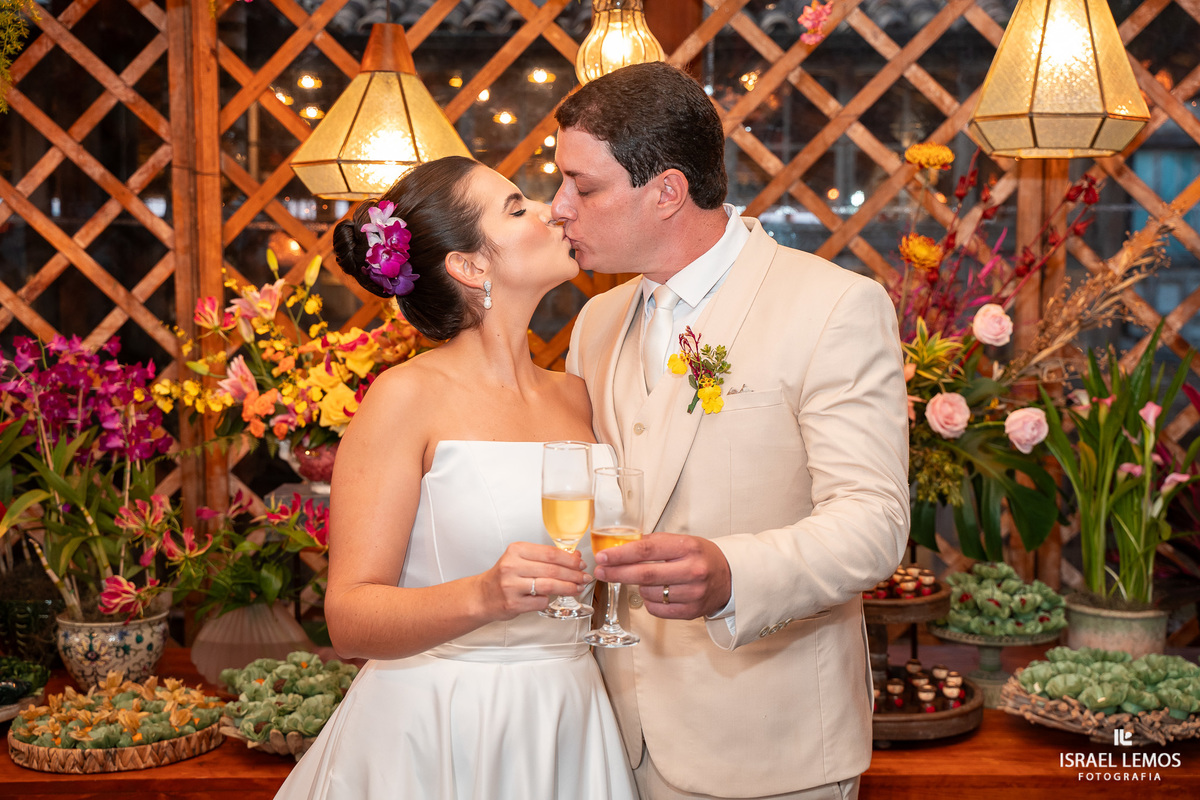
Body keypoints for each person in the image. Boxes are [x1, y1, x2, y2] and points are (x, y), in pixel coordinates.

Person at [555, 63, 910, 800]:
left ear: (667, 192)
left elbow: (873, 521)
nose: (558, 209)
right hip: (608, 741)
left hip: (770, 750)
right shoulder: (594, 323)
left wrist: (732, 575)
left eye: (581, 187)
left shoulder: (834, 306)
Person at [273, 156, 637, 800]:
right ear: (469, 266)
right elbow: (349, 617)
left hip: (569, 715)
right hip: (442, 724)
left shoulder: (578, 395)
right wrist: (483, 596)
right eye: (517, 207)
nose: (554, 210)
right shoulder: (404, 397)